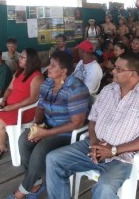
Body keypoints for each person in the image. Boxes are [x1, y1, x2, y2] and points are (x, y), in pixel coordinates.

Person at [46, 52, 139, 199]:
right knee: (54, 159)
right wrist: (94, 142)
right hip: (92, 147)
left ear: (133, 74)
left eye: (118, 69)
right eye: (114, 67)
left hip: (123, 157)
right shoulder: (109, 89)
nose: (113, 71)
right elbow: (93, 119)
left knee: (104, 188)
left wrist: (114, 150)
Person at [6, 51, 90, 199]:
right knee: (24, 140)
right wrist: (36, 125)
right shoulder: (47, 84)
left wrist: (46, 134)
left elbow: (77, 123)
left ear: (63, 71)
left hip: (68, 133)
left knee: (40, 149)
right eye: (49, 65)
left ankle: (23, 191)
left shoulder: (76, 88)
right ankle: (36, 183)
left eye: (52, 66)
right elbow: (40, 107)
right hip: (49, 126)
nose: (48, 68)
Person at [0, 48, 44, 163]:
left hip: (24, 111)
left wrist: (13, 107)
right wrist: (4, 100)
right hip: (9, 106)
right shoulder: (18, 72)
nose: (19, 59)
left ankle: (1, 148)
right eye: (21, 57)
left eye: (23, 57)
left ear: (31, 60)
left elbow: (33, 99)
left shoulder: (37, 76)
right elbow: (10, 88)